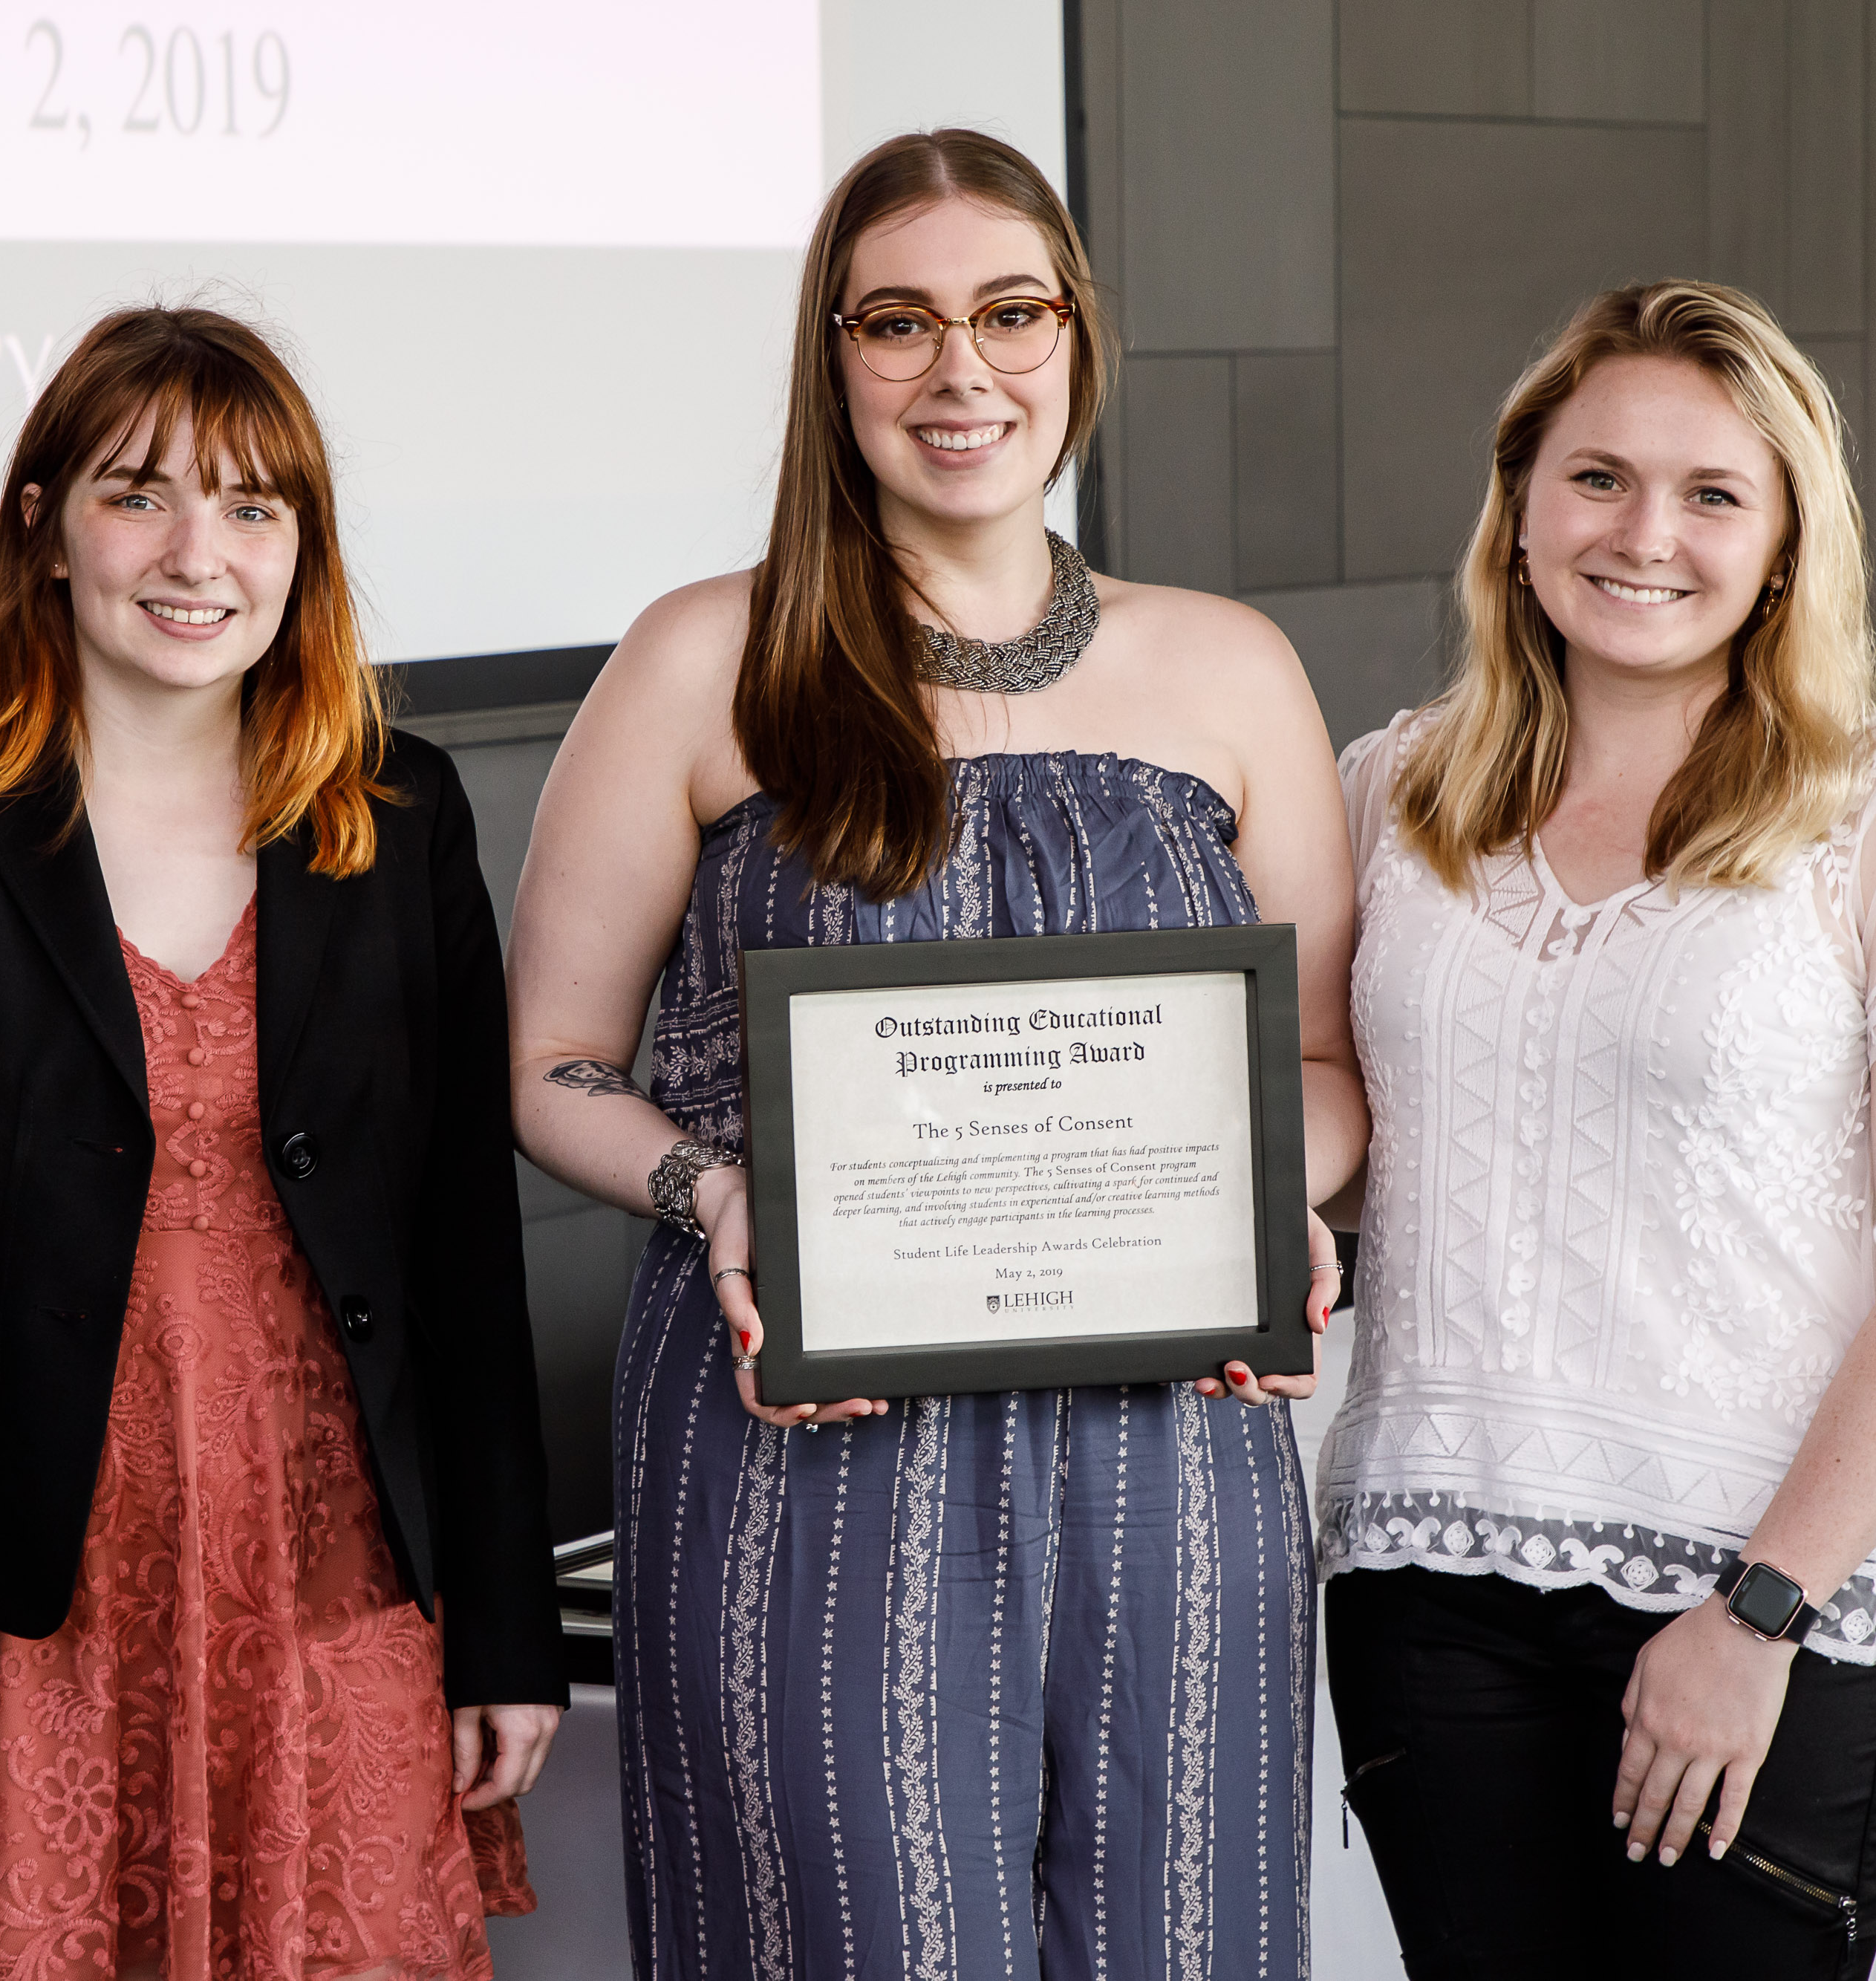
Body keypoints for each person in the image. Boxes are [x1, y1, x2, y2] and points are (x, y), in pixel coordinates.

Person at [507, 130, 1367, 1980]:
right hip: (805, 1424)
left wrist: (1260, 1198)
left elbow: (1316, 1065)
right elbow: (554, 1059)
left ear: (1076, 340)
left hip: (1171, 1423)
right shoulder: (699, 659)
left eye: (1006, 312)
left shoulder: (1227, 669)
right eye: (894, 323)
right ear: (832, 362)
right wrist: (718, 1185)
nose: (956, 369)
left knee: (1178, 1923)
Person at [0, 305, 566, 1981]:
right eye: (140, 494)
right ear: (42, 522)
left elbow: (466, 1250)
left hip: (330, 1571)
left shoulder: (398, 810)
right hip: (17, 1590)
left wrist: (504, 1619)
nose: (199, 554)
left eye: (253, 507)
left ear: (302, 552)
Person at [1318, 282, 1876, 1978]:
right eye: (1595, 479)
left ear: (1784, 542)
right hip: (1425, 1573)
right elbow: (1342, 1129)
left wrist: (1757, 1609)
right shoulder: (1388, 792)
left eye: (1711, 493)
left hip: (1759, 1594)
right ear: (1515, 515)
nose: (1643, 533)